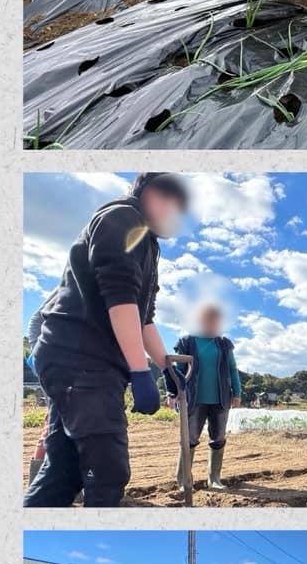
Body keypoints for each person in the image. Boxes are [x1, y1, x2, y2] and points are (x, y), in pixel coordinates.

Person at [24, 173, 189, 508]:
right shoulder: (122, 217)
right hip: (81, 363)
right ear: (154, 194)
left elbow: (144, 317)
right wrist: (140, 373)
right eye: (175, 204)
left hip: (84, 365)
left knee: (63, 470)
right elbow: (120, 299)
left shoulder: (147, 243)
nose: (178, 215)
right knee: (107, 468)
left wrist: (165, 366)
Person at [165, 302, 242, 491]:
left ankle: (214, 478)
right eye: (209, 320)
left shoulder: (223, 344)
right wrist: (172, 393)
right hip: (193, 399)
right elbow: (179, 370)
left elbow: (232, 369)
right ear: (200, 320)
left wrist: (237, 393)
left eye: (216, 321)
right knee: (189, 438)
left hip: (220, 398)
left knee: (218, 438)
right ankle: (184, 481)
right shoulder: (188, 342)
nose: (212, 324)